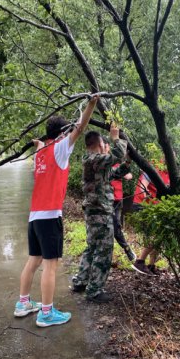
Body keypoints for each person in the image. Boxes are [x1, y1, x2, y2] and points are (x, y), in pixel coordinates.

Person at [13, 95, 99, 327]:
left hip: (34, 217)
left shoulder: (42, 152)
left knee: (34, 260)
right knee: (50, 264)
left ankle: (23, 303)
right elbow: (79, 129)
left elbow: (41, 144)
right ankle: (47, 313)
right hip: (50, 216)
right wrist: (91, 104)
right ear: (62, 134)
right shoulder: (60, 149)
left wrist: (37, 143)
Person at [70, 124, 127, 303]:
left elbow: (112, 175)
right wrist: (116, 138)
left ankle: (81, 281)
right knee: (103, 250)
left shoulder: (93, 161)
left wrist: (128, 164)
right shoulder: (94, 158)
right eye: (104, 142)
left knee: (92, 247)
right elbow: (117, 154)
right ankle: (94, 291)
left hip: (95, 211)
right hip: (100, 213)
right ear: (99, 143)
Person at [131, 162, 170, 276]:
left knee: (159, 236)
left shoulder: (170, 173)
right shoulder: (154, 168)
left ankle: (151, 265)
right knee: (156, 235)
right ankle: (140, 261)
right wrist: (151, 202)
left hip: (154, 207)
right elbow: (143, 188)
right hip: (142, 205)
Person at [103, 138, 137, 262]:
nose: (106, 149)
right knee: (111, 228)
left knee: (116, 226)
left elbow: (127, 173)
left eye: (106, 146)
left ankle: (126, 250)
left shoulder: (114, 162)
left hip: (118, 199)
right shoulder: (102, 164)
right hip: (106, 201)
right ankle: (124, 250)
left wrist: (126, 171)